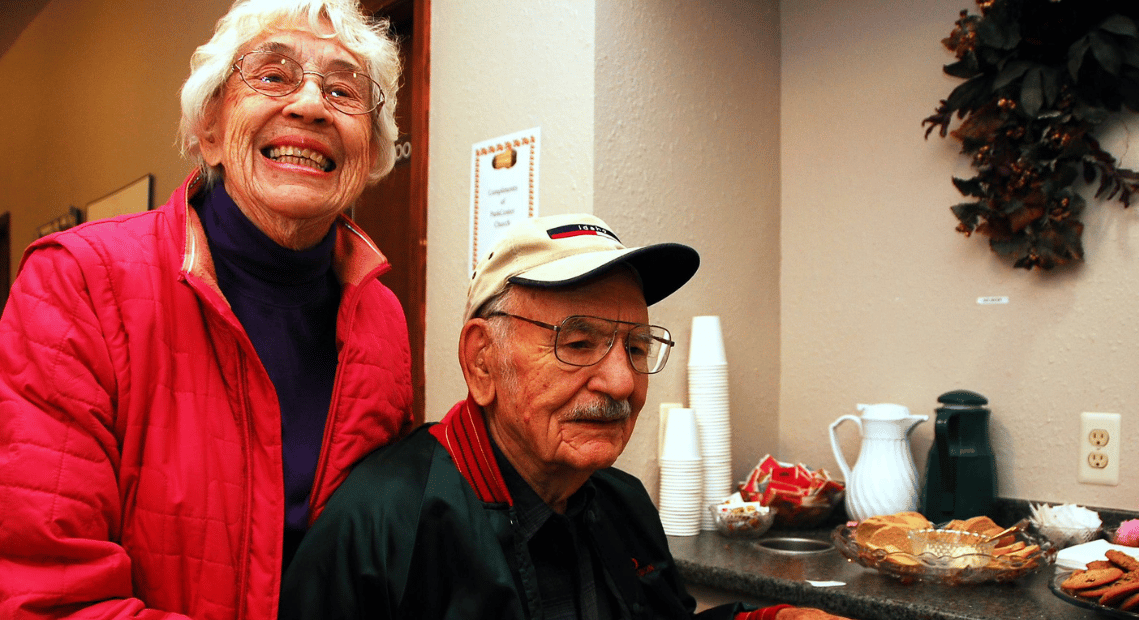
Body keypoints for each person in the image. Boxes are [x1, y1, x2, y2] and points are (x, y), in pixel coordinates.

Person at [0, 1, 414, 618]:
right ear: (211, 131)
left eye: (343, 88)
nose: (309, 104)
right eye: (272, 75)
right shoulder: (78, 283)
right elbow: (48, 595)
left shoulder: (380, 316)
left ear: (372, 152)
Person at [278, 214, 847, 620]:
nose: (622, 382)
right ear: (482, 361)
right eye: (577, 342)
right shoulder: (381, 525)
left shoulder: (622, 501)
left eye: (637, 348)